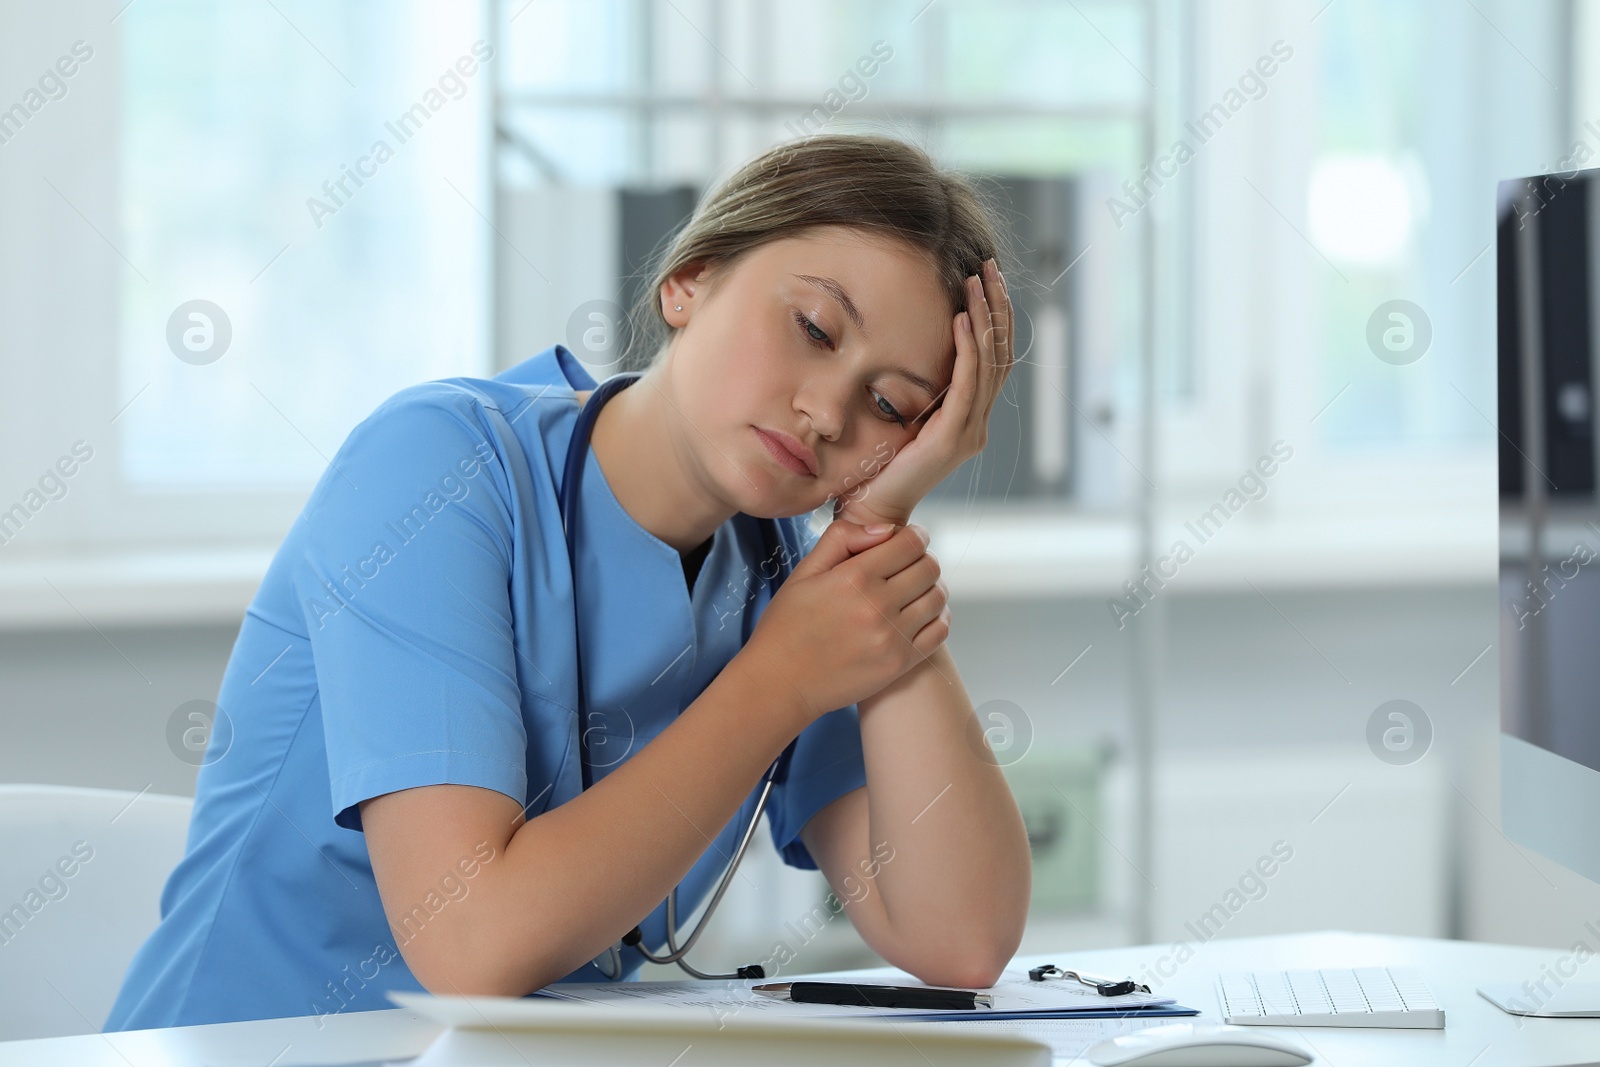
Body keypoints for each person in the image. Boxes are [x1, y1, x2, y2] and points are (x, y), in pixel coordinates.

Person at [104, 133, 1032, 1030]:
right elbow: (470, 940)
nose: (827, 411)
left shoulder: (790, 574)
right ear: (689, 280)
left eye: (890, 407)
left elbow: (959, 939)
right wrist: (782, 678)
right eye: (814, 327)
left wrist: (877, 532)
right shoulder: (434, 470)